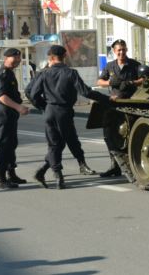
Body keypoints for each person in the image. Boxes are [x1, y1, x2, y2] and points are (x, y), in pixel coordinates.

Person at [29, 45, 112, 189]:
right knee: (71, 139)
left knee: (54, 144)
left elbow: (33, 95)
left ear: (51, 58)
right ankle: (73, 168)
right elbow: (86, 92)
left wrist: (44, 107)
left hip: (49, 111)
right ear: (64, 57)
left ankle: (57, 176)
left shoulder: (44, 74)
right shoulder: (71, 73)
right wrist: (107, 99)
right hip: (64, 111)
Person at [25, 62, 97, 176]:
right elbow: (29, 91)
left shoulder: (49, 73)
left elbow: (30, 92)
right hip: (60, 111)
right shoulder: (49, 73)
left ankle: (54, 172)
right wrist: (44, 106)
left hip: (56, 112)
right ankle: (59, 170)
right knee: (64, 142)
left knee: (60, 143)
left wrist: (45, 107)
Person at [96, 39, 145, 178]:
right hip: (113, 104)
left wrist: (132, 82)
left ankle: (135, 165)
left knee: (129, 136)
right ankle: (115, 166)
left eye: (123, 49)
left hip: (130, 104)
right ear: (114, 51)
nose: (121, 52)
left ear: (127, 50)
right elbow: (99, 81)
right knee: (109, 135)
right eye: (119, 50)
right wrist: (110, 82)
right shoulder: (110, 66)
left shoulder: (134, 65)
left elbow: (145, 78)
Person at [0, 48, 30, 189]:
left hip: (10, 114)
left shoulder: (9, 73)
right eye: (15, 58)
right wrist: (18, 107)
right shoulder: (3, 75)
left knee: (11, 144)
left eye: (19, 59)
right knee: (4, 146)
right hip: (4, 114)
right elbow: (2, 97)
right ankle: (1, 179)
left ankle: (11, 174)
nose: (18, 61)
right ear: (6, 58)